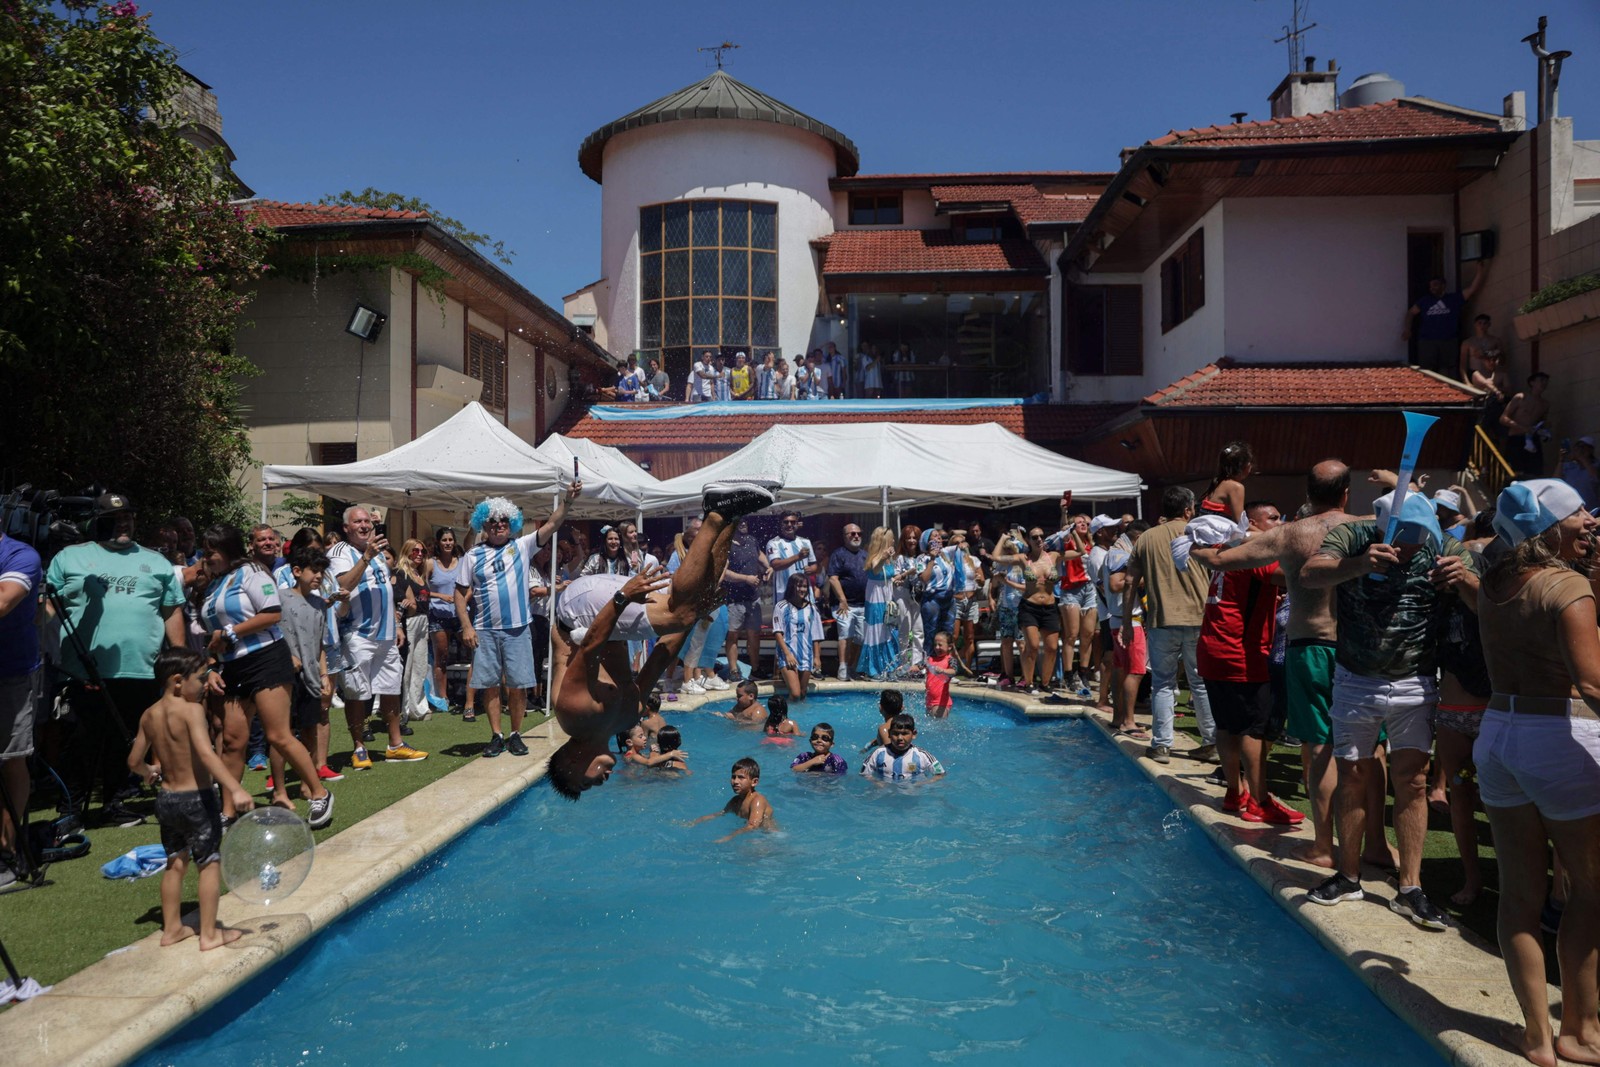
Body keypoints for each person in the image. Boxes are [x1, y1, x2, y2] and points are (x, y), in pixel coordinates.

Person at [1191, 461, 1388, 871]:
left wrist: (1195, 546)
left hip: (1312, 647)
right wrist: (1390, 484)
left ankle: (1322, 846)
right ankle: (1376, 847)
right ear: (1346, 493)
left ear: (1308, 493)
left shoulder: (1289, 533)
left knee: (1320, 746)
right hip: (1361, 649)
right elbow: (1427, 516)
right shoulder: (1367, 525)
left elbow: (1223, 561)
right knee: (1373, 746)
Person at [1300, 488, 1478, 928]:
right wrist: (1360, 564)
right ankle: (1348, 874)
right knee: (1353, 776)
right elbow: (1310, 574)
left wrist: (1466, 580)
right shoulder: (1355, 535)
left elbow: (1484, 605)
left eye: (1422, 539)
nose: (1415, 548)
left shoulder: (1444, 544)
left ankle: (1410, 887)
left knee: (1413, 781)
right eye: (1406, 541)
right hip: (1356, 679)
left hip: (1416, 681)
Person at [1473, 479, 1600, 1067]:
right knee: (1591, 891)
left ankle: (1535, 1036)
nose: (1590, 522)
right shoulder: (1564, 584)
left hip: (1498, 734)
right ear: (1550, 527)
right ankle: (1581, 1030)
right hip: (1556, 738)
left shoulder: (1494, 581)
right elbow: (1592, 682)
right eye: (1579, 515)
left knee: (1520, 895)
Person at [547, 482, 779, 798]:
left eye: (586, 782)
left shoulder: (574, 716)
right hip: (604, 619)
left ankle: (716, 512)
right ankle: (732, 516)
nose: (599, 783)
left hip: (578, 610)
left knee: (678, 614)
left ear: (571, 764)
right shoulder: (627, 718)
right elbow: (660, 657)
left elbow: (587, 648)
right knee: (697, 599)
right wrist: (696, 615)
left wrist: (623, 597)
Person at [45, 491, 186, 825]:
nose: (124, 523)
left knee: (128, 739)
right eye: (115, 518)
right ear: (97, 522)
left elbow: (171, 612)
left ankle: (114, 802)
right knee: (79, 741)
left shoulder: (155, 562)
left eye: (128, 517)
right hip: (83, 669)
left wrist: (178, 660)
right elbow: (49, 608)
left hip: (140, 667)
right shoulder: (70, 557)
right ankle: (70, 810)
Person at [199, 525, 334, 828]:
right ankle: (228, 811)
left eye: (211, 553)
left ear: (228, 549)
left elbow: (272, 613)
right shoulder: (212, 585)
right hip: (232, 667)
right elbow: (210, 636)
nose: (207, 559)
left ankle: (319, 793)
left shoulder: (252, 573)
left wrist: (230, 633)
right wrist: (210, 667)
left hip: (266, 658)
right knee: (233, 740)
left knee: (278, 735)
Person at [128, 647, 255, 951]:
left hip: (167, 800)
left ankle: (172, 929)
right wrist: (234, 788)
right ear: (176, 681)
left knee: (175, 862)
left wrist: (149, 771)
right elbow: (205, 753)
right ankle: (210, 934)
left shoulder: (149, 714)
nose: (204, 685)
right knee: (208, 864)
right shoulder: (192, 710)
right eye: (200, 679)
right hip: (197, 800)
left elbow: (133, 760)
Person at [1191, 504, 1299, 823]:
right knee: (1254, 728)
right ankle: (1259, 800)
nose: (1280, 523)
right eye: (1274, 518)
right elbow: (1291, 577)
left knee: (1227, 725)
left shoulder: (1226, 548)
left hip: (1212, 651)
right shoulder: (1253, 552)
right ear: (1252, 522)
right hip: (1241, 654)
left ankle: (1234, 792)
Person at [457, 485, 579, 759]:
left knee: (518, 684)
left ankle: (515, 734)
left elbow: (552, 524)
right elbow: (459, 592)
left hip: (519, 628)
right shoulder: (472, 555)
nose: (498, 525)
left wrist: (568, 502)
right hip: (485, 630)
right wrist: (466, 625)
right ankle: (496, 735)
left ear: (511, 523)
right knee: (489, 685)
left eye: (503, 521)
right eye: (492, 522)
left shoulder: (522, 545)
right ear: (484, 525)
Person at [1122, 486, 1217, 766]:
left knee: (1163, 684)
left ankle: (1162, 745)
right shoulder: (1201, 533)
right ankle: (1211, 742)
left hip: (1161, 619)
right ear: (1188, 510)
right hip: (1200, 619)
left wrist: (1127, 622)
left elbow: (1129, 582)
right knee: (1200, 684)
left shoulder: (1146, 537)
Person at [327, 507, 427, 770]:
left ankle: (395, 745)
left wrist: (396, 624)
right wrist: (366, 558)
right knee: (357, 693)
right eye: (357, 522)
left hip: (385, 634)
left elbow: (385, 590)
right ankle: (359, 746)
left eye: (367, 521)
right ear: (346, 527)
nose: (364, 525)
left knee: (391, 688)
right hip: (357, 634)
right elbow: (343, 586)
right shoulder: (340, 552)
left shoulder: (379, 553)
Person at [276, 544, 339, 789]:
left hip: (312, 676)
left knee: (310, 730)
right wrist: (286, 656)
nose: (319, 576)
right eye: (313, 570)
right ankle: (279, 786)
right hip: (284, 676)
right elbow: (271, 635)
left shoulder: (320, 604)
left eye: (321, 571)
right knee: (282, 734)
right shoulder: (280, 599)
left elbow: (320, 645)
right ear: (296, 571)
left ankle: (308, 782)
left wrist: (324, 674)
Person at [0, 528, 42, 874]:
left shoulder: (20, 555)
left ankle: (7, 850)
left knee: (11, 759)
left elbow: (2, 601)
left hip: (11, 674)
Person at [991, 525, 1064, 694]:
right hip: (1028, 606)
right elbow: (995, 557)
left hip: (1050, 607)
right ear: (1029, 541)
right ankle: (1029, 682)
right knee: (1031, 645)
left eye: (1041, 536)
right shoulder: (1023, 558)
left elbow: (1081, 552)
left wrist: (1071, 531)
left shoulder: (1052, 556)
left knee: (1052, 648)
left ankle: (1045, 683)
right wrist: (1003, 537)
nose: (1039, 539)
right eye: (1035, 537)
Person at [1103, 524, 1149, 738]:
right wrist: (1146, 577)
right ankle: (1128, 722)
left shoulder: (1115, 550)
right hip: (1129, 621)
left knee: (1120, 670)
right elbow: (1115, 584)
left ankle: (1118, 718)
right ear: (1139, 537)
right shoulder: (1121, 554)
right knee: (1135, 671)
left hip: (1119, 619)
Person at [1403, 265, 1487, 375]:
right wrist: (1407, 329)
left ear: (1443, 285)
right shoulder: (1424, 301)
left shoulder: (1453, 299)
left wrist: (1480, 270)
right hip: (1427, 341)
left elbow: (1472, 289)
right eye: (1431, 286)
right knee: (1427, 371)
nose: (1432, 288)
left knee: (1447, 370)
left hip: (1448, 340)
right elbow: (1410, 313)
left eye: (1435, 285)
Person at [720, 519, 768, 679]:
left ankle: (755, 669)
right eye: (739, 521)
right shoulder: (726, 545)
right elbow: (724, 573)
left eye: (745, 521)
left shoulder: (752, 540)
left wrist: (768, 567)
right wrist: (746, 578)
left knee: (754, 635)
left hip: (753, 598)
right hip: (734, 599)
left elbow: (760, 554)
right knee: (733, 635)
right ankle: (734, 670)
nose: (743, 523)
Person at [424, 527, 465, 713]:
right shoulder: (430, 564)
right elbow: (421, 589)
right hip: (438, 615)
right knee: (441, 657)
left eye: (450, 540)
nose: (448, 543)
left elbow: (469, 586)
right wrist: (440, 595)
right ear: (439, 543)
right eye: (444, 540)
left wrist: (462, 601)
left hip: (459, 615)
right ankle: (443, 697)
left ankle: (471, 697)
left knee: (474, 651)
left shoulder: (462, 562)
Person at [690, 757, 776, 842]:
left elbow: (752, 826)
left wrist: (728, 837)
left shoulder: (757, 800)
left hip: (770, 836)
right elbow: (719, 814)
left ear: (754, 782)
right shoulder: (735, 801)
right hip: (757, 836)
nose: (735, 781)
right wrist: (694, 822)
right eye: (733, 777)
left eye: (741, 777)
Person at [856, 527, 899, 679]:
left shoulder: (889, 558)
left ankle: (889, 667)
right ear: (884, 540)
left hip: (887, 599)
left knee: (888, 633)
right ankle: (874, 668)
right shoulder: (875, 557)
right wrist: (883, 557)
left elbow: (887, 577)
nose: (894, 541)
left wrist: (901, 577)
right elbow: (875, 569)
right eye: (891, 538)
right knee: (876, 633)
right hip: (875, 601)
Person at [827, 523, 868, 681]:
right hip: (844, 605)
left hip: (862, 605)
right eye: (852, 534)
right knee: (845, 636)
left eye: (859, 533)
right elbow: (833, 578)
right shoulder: (838, 554)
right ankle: (843, 668)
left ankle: (852, 667)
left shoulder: (865, 555)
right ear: (844, 536)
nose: (856, 536)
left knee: (861, 638)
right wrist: (842, 600)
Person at [394, 538, 429, 722]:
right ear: (407, 552)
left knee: (421, 666)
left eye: (422, 551)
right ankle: (403, 709)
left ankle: (418, 707)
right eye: (415, 551)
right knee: (406, 668)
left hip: (423, 620)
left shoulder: (419, 574)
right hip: (409, 621)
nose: (419, 554)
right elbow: (399, 600)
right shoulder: (401, 573)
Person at [861, 713, 945, 780]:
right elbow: (864, 774)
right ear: (889, 734)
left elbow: (940, 774)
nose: (900, 738)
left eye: (905, 733)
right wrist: (877, 783)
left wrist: (923, 784)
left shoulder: (922, 755)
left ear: (914, 734)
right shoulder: (878, 754)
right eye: (896, 734)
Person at [1501, 372, 1552, 477]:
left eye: (1546, 381)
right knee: (1515, 472)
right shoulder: (1520, 397)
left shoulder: (1545, 404)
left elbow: (1542, 422)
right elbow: (1503, 418)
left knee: (1534, 472)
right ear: (1532, 382)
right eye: (1541, 380)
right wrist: (1522, 428)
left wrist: (1545, 427)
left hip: (1532, 440)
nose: (1544, 383)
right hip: (1516, 438)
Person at [773, 574, 816, 701]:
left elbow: (816, 634)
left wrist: (817, 657)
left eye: (805, 586)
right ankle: (785, 718)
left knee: (802, 694)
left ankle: (800, 718)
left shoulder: (811, 608)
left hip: (806, 655)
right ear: (792, 586)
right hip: (788, 655)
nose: (802, 589)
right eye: (799, 586)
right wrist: (787, 654)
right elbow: (777, 632)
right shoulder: (781, 606)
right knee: (796, 693)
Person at [892, 526, 926, 672]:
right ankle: (903, 662)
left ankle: (917, 664)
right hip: (903, 593)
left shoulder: (923, 557)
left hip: (918, 594)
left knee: (919, 629)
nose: (912, 541)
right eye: (909, 538)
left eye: (914, 538)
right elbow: (896, 577)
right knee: (904, 628)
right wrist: (904, 575)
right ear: (904, 540)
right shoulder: (899, 558)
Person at [1458, 313, 1506, 387]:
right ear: (1475, 325)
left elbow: (1503, 359)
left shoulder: (1495, 340)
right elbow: (1463, 364)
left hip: (1491, 374)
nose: (1482, 326)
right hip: (1475, 373)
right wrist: (1466, 381)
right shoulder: (1468, 342)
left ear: (1489, 324)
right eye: (1479, 323)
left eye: (1485, 323)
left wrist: (1487, 354)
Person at [1560, 435, 1600, 511]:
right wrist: (1561, 461)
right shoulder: (1569, 466)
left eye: (1583, 447)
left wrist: (1582, 457)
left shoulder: (1596, 465)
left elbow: (1595, 478)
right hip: (1570, 508)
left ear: (1590, 450)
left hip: (1590, 509)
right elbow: (1555, 480)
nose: (1579, 449)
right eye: (1577, 446)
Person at [925, 631, 957, 719]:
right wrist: (907, 668)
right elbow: (918, 666)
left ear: (949, 646)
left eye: (940, 645)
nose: (936, 647)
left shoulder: (950, 660)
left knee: (938, 726)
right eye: (935, 644)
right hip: (929, 701)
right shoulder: (930, 659)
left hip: (942, 703)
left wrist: (943, 671)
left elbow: (953, 671)